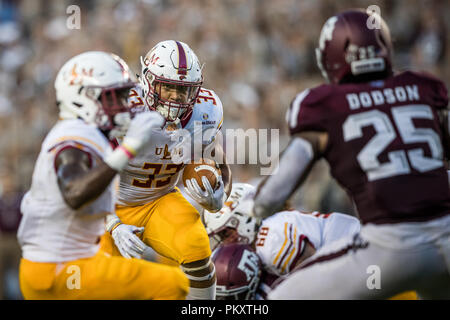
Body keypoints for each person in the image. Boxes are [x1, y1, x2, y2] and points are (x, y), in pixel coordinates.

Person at [251, 9, 450, 299]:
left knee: (281, 298)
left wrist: (255, 210)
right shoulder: (422, 88)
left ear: (333, 55)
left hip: (390, 246)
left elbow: (273, 194)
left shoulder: (325, 104)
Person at [17, 51, 189, 300]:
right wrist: (128, 149)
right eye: (115, 97)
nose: (124, 105)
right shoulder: (74, 138)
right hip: (59, 270)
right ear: (85, 98)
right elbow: (74, 193)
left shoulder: (88, 133)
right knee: (173, 284)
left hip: (65, 263)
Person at [100, 40, 232, 300]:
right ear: (148, 81)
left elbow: (220, 164)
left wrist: (219, 197)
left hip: (159, 200)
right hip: (109, 206)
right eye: (167, 86)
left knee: (196, 246)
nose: (174, 96)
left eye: (182, 90)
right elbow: (93, 174)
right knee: (103, 282)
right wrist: (113, 224)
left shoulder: (206, 111)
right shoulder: (124, 109)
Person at [205, 183, 368, 299]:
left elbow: (315, 280)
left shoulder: (270, 240)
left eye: (226, 233)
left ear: (244, 219)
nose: (225, 243)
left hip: (364, 256)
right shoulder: (269, 230)